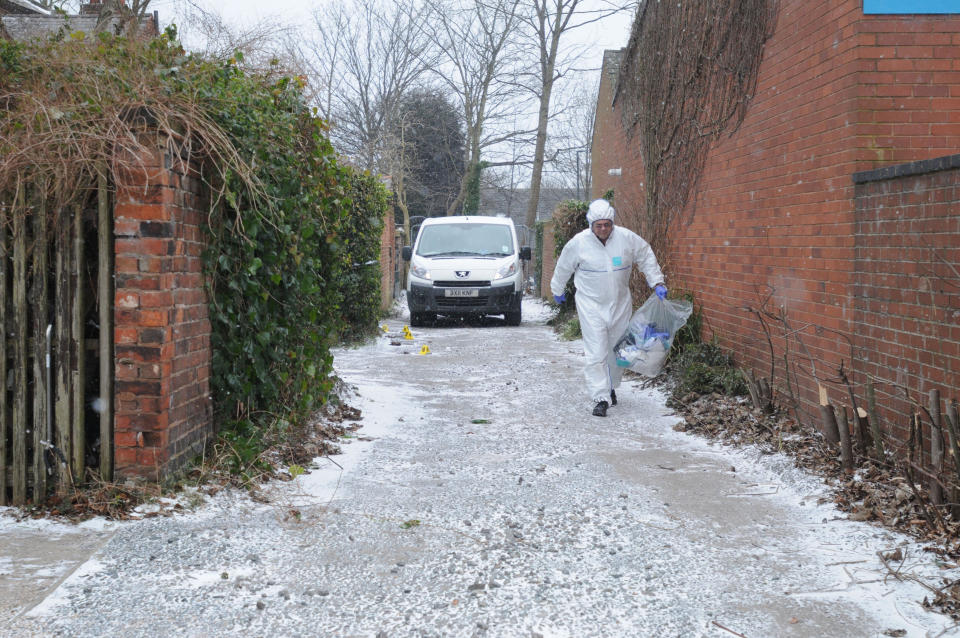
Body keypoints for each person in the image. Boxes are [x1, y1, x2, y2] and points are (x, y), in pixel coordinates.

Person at [550, 199, 666, 417]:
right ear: (590, 225)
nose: (603, 229)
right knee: (596, 352)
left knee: (616, 350)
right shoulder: (579, 243)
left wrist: (657, 282)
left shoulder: (627, 238)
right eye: (598, 225)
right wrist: (557, 289)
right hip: (590, 304)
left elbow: (646, 256)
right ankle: (600, 397)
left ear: (612, 222)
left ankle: (611, 386)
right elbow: (564, 266)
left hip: (620, 304)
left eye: (607, 224)